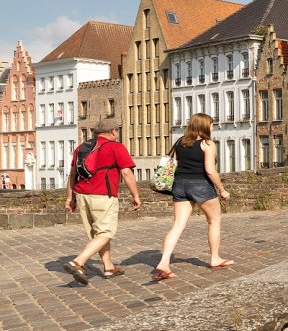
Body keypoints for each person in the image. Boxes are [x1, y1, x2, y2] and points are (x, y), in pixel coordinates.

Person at [153, 113, 233, 280]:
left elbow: (172, 164)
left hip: (180, 185)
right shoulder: (207, 144)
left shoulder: (180, 142)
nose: (212, 127)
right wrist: (222, 189)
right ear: (204, 126)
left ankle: (164, 261)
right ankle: (215, 258)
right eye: (210, 124)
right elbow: (210, 170)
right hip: (200, 185)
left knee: (178, 225)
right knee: (214, 221)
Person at [63, 119, 142, 284]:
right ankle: (78, 262)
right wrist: (135, 195)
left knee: (98, 234)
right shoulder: (116, 147)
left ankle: (108, 267)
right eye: (117, 130)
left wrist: (70, 198)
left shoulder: (81, 148)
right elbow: (126, 173)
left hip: (82, 195)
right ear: (113, 131)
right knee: (106, 232)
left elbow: (73, 174)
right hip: (103, 195)